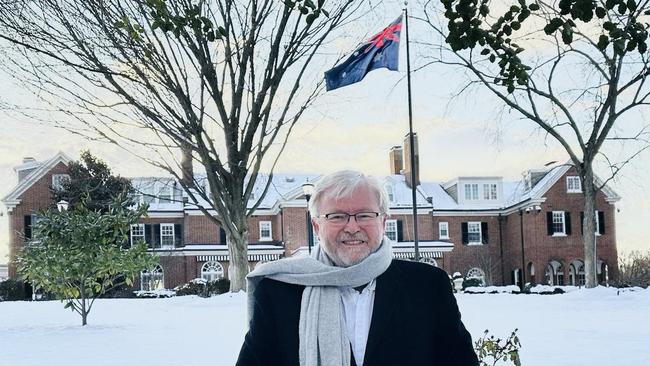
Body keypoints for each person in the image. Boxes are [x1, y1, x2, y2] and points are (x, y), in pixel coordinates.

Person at [237, 170, 478, 366]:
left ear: (383, 221)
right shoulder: (278, 291)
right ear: (316, 227)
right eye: (337, 216)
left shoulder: (427, 286)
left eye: (364, 215)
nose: (352, 227)